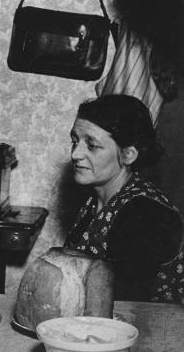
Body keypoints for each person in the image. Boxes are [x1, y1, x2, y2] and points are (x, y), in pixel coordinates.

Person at [64, 94, 184, 302]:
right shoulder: (95, 201)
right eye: (75, 141)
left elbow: (127, 299)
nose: (75, 154)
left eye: (92, 145)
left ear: (128, 154)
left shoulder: (146, 214)